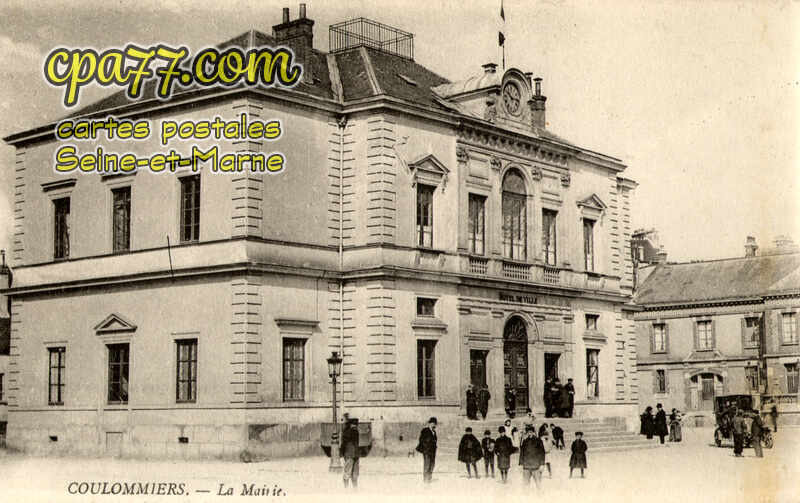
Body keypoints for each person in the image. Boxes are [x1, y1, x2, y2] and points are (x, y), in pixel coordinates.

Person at [519, 425, 545, 489]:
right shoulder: (525, 441)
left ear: (533, 432)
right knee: (526, 483)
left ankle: (539, 495)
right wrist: (521, 463)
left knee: (538, 483)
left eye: (531, 432)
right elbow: (522, 453)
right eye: (528, 432)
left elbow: (542, 453)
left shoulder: (538, 441)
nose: (530, 433)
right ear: (527, 433)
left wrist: (542, 464)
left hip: (536, 466)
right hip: (526, 466)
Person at [416, 417, 438, 483]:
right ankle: (426, 479)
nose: (433, 425)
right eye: (432, 423)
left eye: (434, 424)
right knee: (427, 464)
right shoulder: (425, 430)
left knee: (432, 464)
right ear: (429, 423)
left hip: (433, 451)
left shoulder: (434, 432)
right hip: (427, 451)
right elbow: (421, 440)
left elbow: (435, 440)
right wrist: (426, 447)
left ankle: (429, 477)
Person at [341, 417, 361, 488]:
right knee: (349, 472)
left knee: (354, 473)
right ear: (351, 424)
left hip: (353, 454)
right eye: (354, 424)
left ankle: (354, 488)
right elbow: (344, 443)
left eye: (356, 425)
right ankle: (347, 488)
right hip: (350, 454)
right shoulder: (350, 432)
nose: (355, 426)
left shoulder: (349, 431)